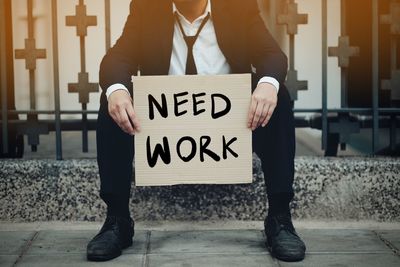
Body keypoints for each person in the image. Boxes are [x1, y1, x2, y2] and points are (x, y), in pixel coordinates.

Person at [87, 0, 306, 262]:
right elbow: (117, 58)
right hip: (163, 119)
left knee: (278, 96)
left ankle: (279, 217)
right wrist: (117, 90)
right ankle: (117, 219)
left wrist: (268, 84)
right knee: (113, 100)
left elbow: (272, 54)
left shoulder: (238, 6)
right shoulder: (148, 7)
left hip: (233, 120)